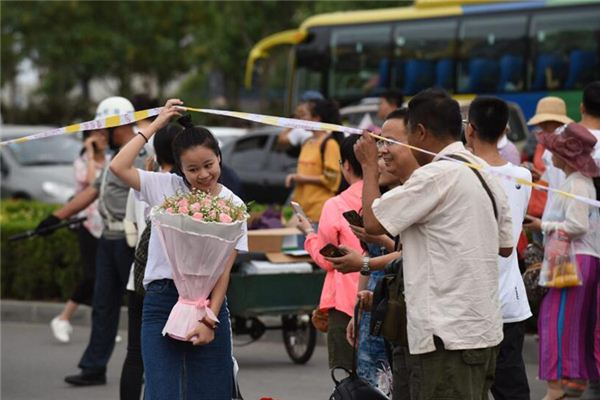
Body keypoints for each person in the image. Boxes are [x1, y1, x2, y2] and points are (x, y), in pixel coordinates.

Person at [353, 88, 514, 399]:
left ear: (421, 132)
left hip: (446, 337)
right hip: (482, 330)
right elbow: (505, 247)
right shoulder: (485, 173)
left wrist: (370, 167)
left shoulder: (436, 176)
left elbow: (372, 222)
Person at [110, 99, 248, 399]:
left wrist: (211, 318)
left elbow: (225, 269)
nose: (202, 175)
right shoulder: (166, 188)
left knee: (211, 392)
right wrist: (156, 124)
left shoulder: (234, 205)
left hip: (209, 305)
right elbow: (117, 166)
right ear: (180, 168)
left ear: (220, 158)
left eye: (209, 165)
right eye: (192, 168)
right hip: (161, 301)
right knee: (163, 392)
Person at [36, 96, 146, 386]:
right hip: (107, 239)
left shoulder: (140, 155)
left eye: (103, 129)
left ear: (117, 127)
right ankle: (94, 368)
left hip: (130, 241)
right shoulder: (114, 156)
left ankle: (149, 366)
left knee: (140, 306)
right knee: (103, 304)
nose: (98, 135)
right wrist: (55, 218)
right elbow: (92, 192)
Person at [328, 108, 419, 398]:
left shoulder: (407, 200)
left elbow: (406, 254)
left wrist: (369, 251)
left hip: (398, 307)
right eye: (378, 153)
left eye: (387, 148)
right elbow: (369, 261)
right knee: (371, 382)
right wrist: (359, 306)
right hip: (376, 305)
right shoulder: (382, 203)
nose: (382, 160)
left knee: (392, 382)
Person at [523, 123, 600, 400]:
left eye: (553, 148)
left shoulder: (577, 183)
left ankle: (556, 386)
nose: (548, 152)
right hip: (577, 259)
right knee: (565, 322)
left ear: (565, 156)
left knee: (554, 321)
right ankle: (567, 381)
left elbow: (576, 225)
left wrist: (545, 225)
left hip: (573, 260)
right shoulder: (577, 181)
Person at [465, 96, 533, 400]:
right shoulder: (523, 175)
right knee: (512, 387)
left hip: (470, 302)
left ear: (470, 129)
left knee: (469, 386)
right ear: (506, 129)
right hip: (510, 299)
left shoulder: (461, 172)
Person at [119, 123, 181, 400]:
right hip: (174, 283)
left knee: (136, 355)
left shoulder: (146, 181)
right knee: (173, 360)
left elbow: (133, 224)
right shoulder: (184, 186)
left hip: (140, 278)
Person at [295, 134, 363, 372]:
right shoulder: (391, 197)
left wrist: (308, 234)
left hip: (346, 304)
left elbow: (328, 259)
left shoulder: (336, 205)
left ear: (345, 165)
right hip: (385, 300)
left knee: (349, 381)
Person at [50, 128, 110, 343]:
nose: (103, 139)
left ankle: (102, 327)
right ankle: (63, 318)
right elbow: (93, 180)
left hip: (107, 225)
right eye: (98, 136)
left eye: (105, 135)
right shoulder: (82, 162)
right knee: (91, 276)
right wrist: (91, 154)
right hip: (86, 225)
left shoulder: (113, 158)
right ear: (88, 140)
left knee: (104, 278)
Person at [286, 99, 343, 223]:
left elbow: (332, 179)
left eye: (305, 115)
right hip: (302, 213)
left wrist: (301, 178)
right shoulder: (307, 142)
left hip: (319, 212)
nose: (301, 119)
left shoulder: (330, 144)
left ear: (317, 118)